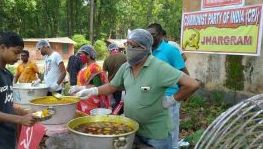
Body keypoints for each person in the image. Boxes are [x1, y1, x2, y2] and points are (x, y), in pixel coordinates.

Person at [70, 29, 199, 149]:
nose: (129, 49)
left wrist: (171, 100)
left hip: (155, 134)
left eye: (133, 45)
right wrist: (92, 91)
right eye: (127, 44)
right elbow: (111, 86)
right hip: (133, 129)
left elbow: (192, 84)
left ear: (145, 48)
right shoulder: (126, 67)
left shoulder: (159, 67)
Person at [0, 32, 38, 148]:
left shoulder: (7, 74)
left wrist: (27, 113)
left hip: (7, 135)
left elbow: (6, 106)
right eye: (16, 52)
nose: (18, 58)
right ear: (3, 47)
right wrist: (20, 119)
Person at [147, 23, 190, 149]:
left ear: (160, 35)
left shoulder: (170, 50)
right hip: (153, 98)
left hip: (169, 98)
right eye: (147, 35)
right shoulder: (147, 51)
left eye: (153, 34)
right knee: (158, 132)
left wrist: (177, 97)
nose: (150, 37)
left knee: (171, 131)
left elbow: (185, 75)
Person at [73, 44, 112, 115]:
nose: (80, 57)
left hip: (91, 103)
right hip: (83, 99)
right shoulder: (86, 67)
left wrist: (82, 88)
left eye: (81, 55)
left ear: (89, 56)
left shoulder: (94, 68)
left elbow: (98, 86)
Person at [103, 43, 126, 114]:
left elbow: (103, 73)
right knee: (123, 103)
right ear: (118, 49)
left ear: (109, 50)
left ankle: (115, 116)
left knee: (115, 103)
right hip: (125, 85)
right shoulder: (125, 57)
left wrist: (107, 83)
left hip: (112, 86)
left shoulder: (107, 59)